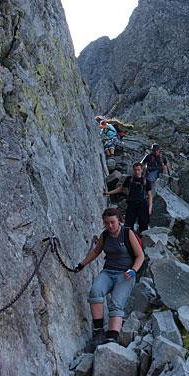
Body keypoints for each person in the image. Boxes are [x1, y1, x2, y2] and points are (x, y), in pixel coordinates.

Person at [74, 208, 144, 347]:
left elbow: (140, 255)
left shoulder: (127, 233)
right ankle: (98, 331)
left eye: (112, 222)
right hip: (108, 272)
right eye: (107, 223)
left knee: (116, 303)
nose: (110, 226)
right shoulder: (105, 235)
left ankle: (112, 337)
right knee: (95, 291)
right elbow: (96, 251)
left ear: (119, 220)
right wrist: (82, 264)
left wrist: (133, 270)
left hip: (125, 274)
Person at [104, 162, 151, 234]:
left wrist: (150, 207)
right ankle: (128, 239)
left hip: (143, 205)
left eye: (138, 170)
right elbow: (120, 189)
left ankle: (143, 241)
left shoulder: (146, 181)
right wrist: (108, 193)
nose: (137, 172)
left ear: (142, 170)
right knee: (129, 224)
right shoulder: (129, 179)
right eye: (135, 170)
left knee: (143, 224)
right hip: (131, 204)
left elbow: (150, 195)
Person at [141, 144, 170, 215]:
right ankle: (150, 194)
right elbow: (143, 163)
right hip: (151, 171)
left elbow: (166, 164)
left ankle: (164, 182)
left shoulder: (162, 157)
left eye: (157, 150)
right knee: (150, 181)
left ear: (159, 150)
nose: (155, 152)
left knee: (164, 168)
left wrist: (168, 174)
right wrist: (144, 170)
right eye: (154, 150)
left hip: (160, 171)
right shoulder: (149, 156)